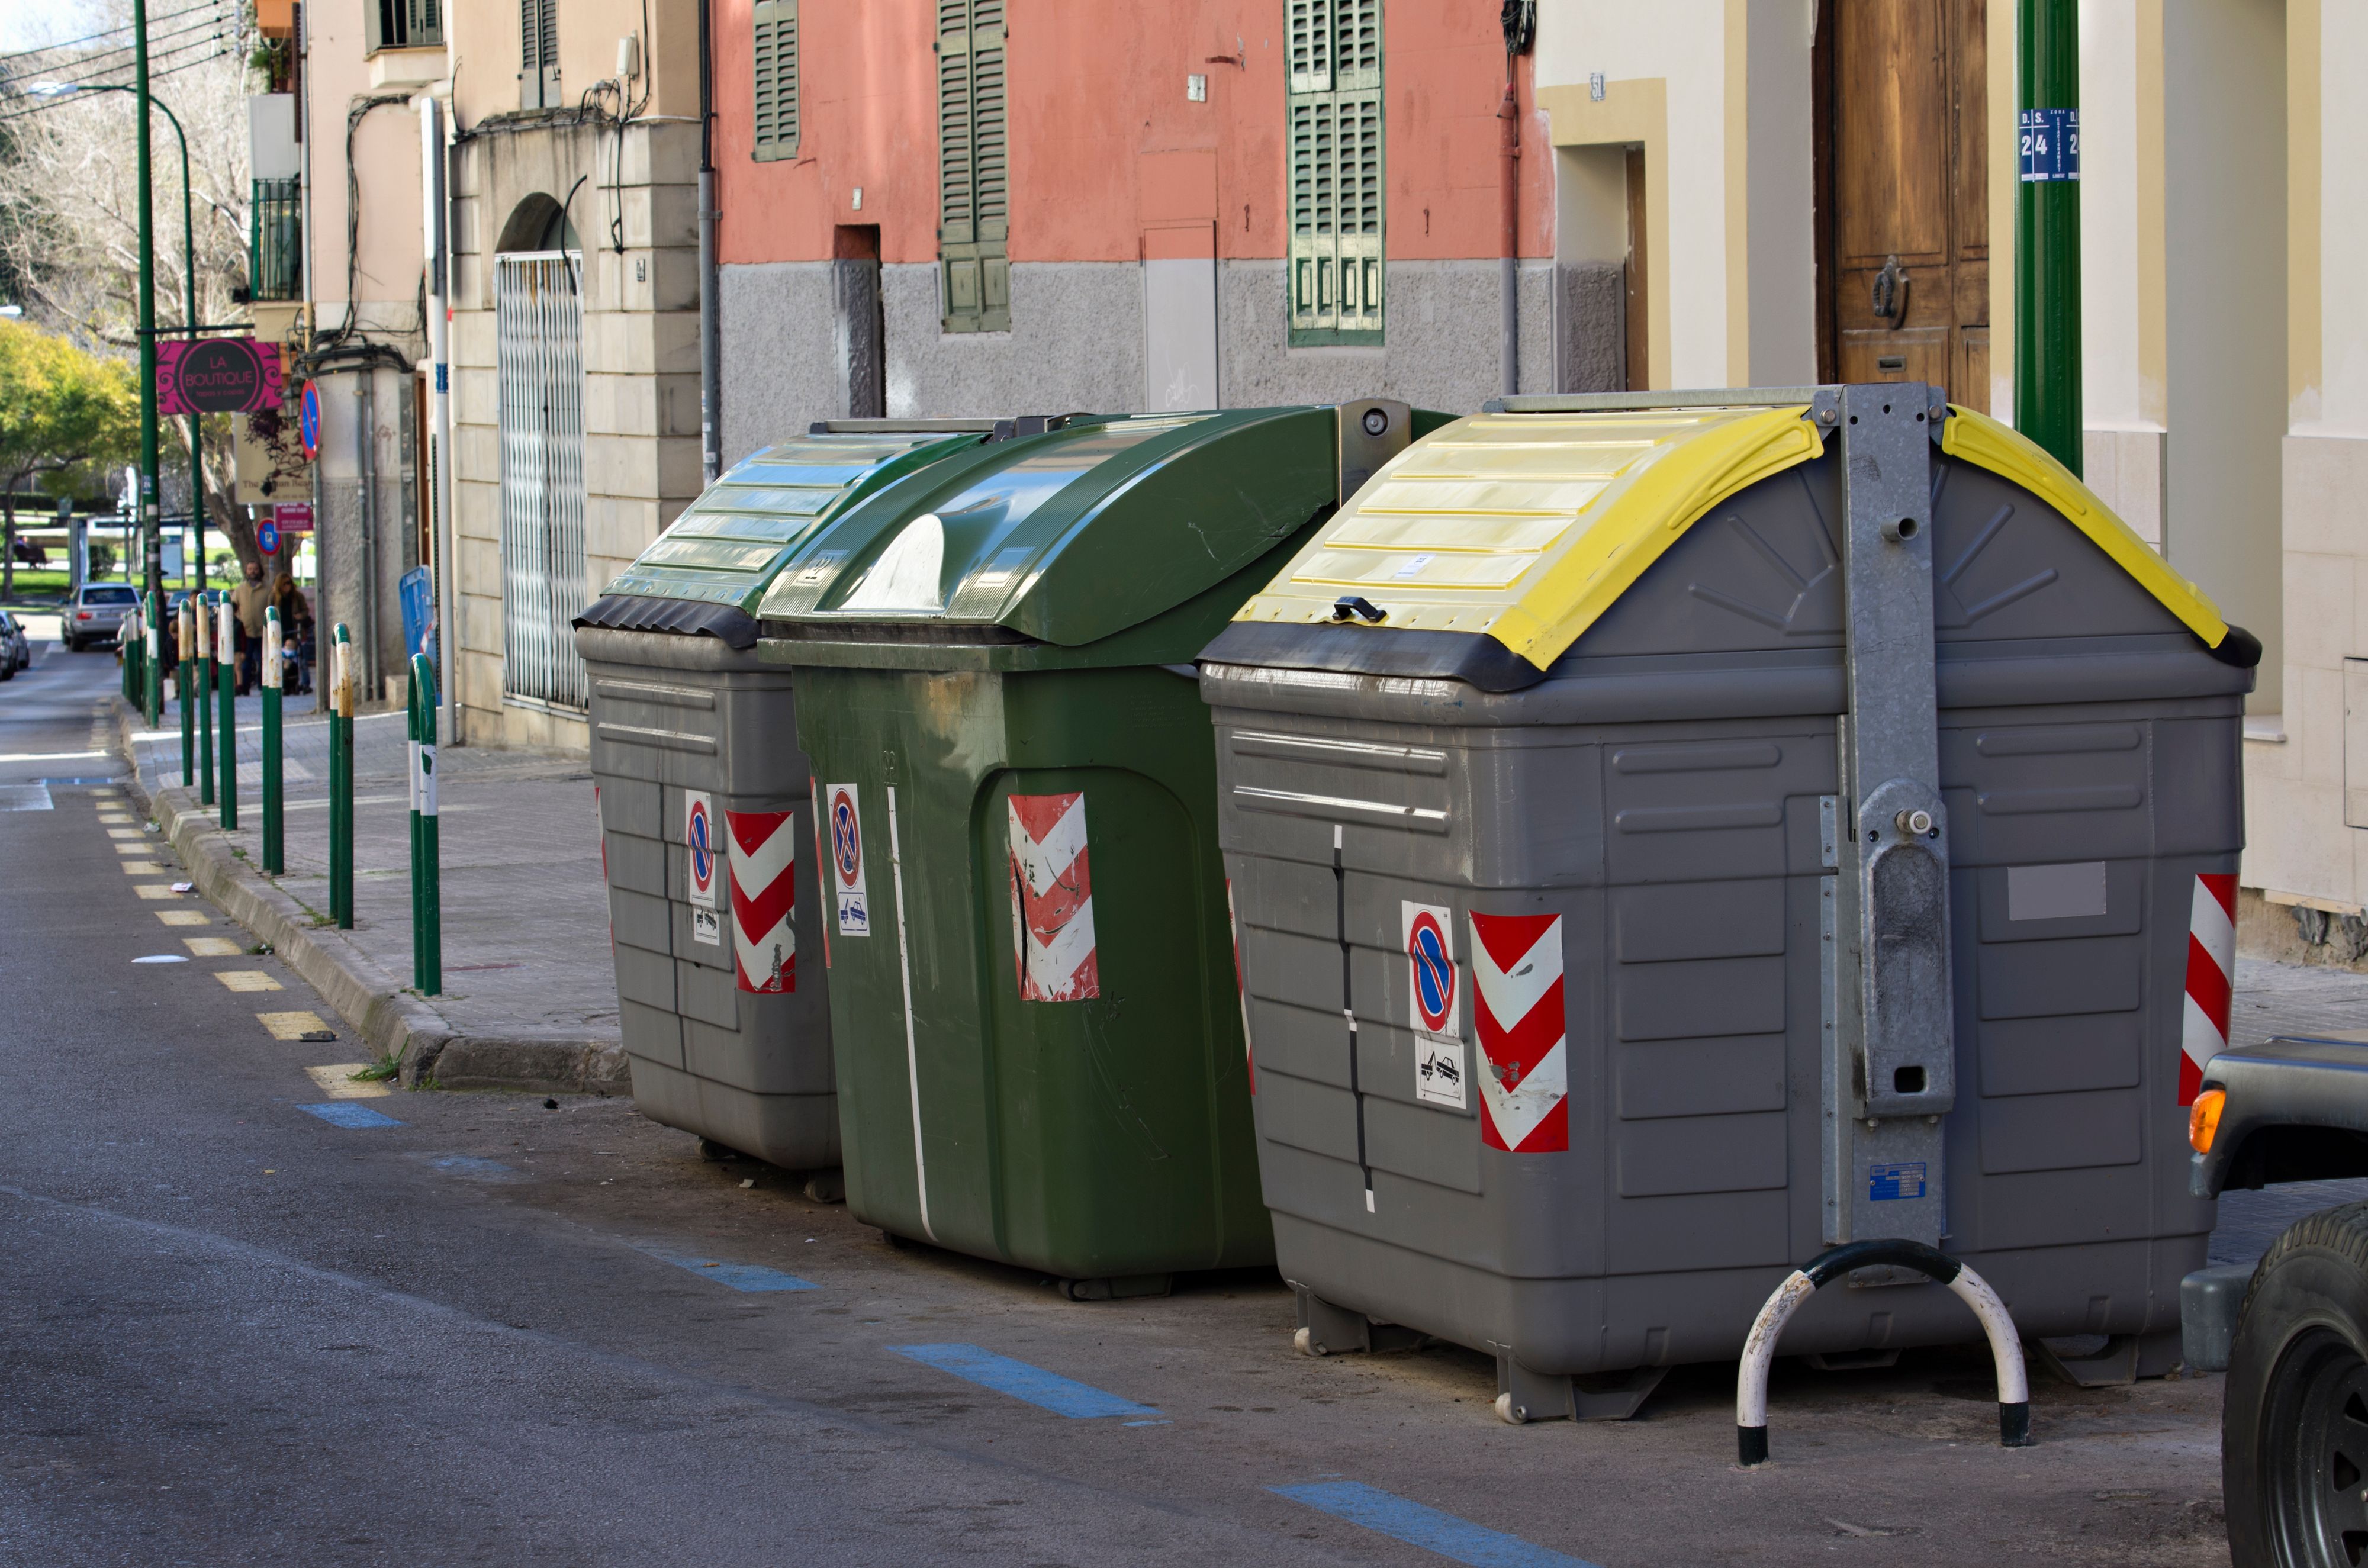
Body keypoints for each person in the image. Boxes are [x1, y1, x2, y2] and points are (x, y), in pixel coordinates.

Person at [230, 558, 272, 697]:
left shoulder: (268, 588)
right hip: (246, 633)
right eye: (250, 569)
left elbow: (273, 607)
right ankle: (245, 688)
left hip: (263, 632)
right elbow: (233, 605)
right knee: (245, 662)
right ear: (246, 571)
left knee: (263, 661)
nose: (253, 572)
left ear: (260, 571)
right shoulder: (240, 589)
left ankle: (262, 687)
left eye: (255, 569)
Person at [269, 573, 313, 694]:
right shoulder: (274, 597)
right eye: (285, 583)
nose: (288, 586)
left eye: (289, 583)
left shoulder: (297, 596)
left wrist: (300, 616)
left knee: (301, 659)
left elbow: (305, 610)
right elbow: (269, 611)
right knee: (282, 660)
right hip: (280, 632)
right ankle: (283, 684)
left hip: (295, 631)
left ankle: (304, 684)